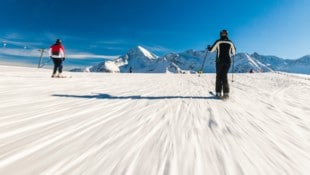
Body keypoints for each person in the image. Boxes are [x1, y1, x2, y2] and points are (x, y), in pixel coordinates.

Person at [208, 29, 236, 98]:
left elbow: (211, 50)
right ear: (227, 34)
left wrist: (209, 48)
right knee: (224, 76)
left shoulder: (218, 41)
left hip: (219, 61)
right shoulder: (230, 42)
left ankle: (218, 93)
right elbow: (234, 52)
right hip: (228, 61)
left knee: (219, 76)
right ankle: (226, 93)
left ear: (220, 34)